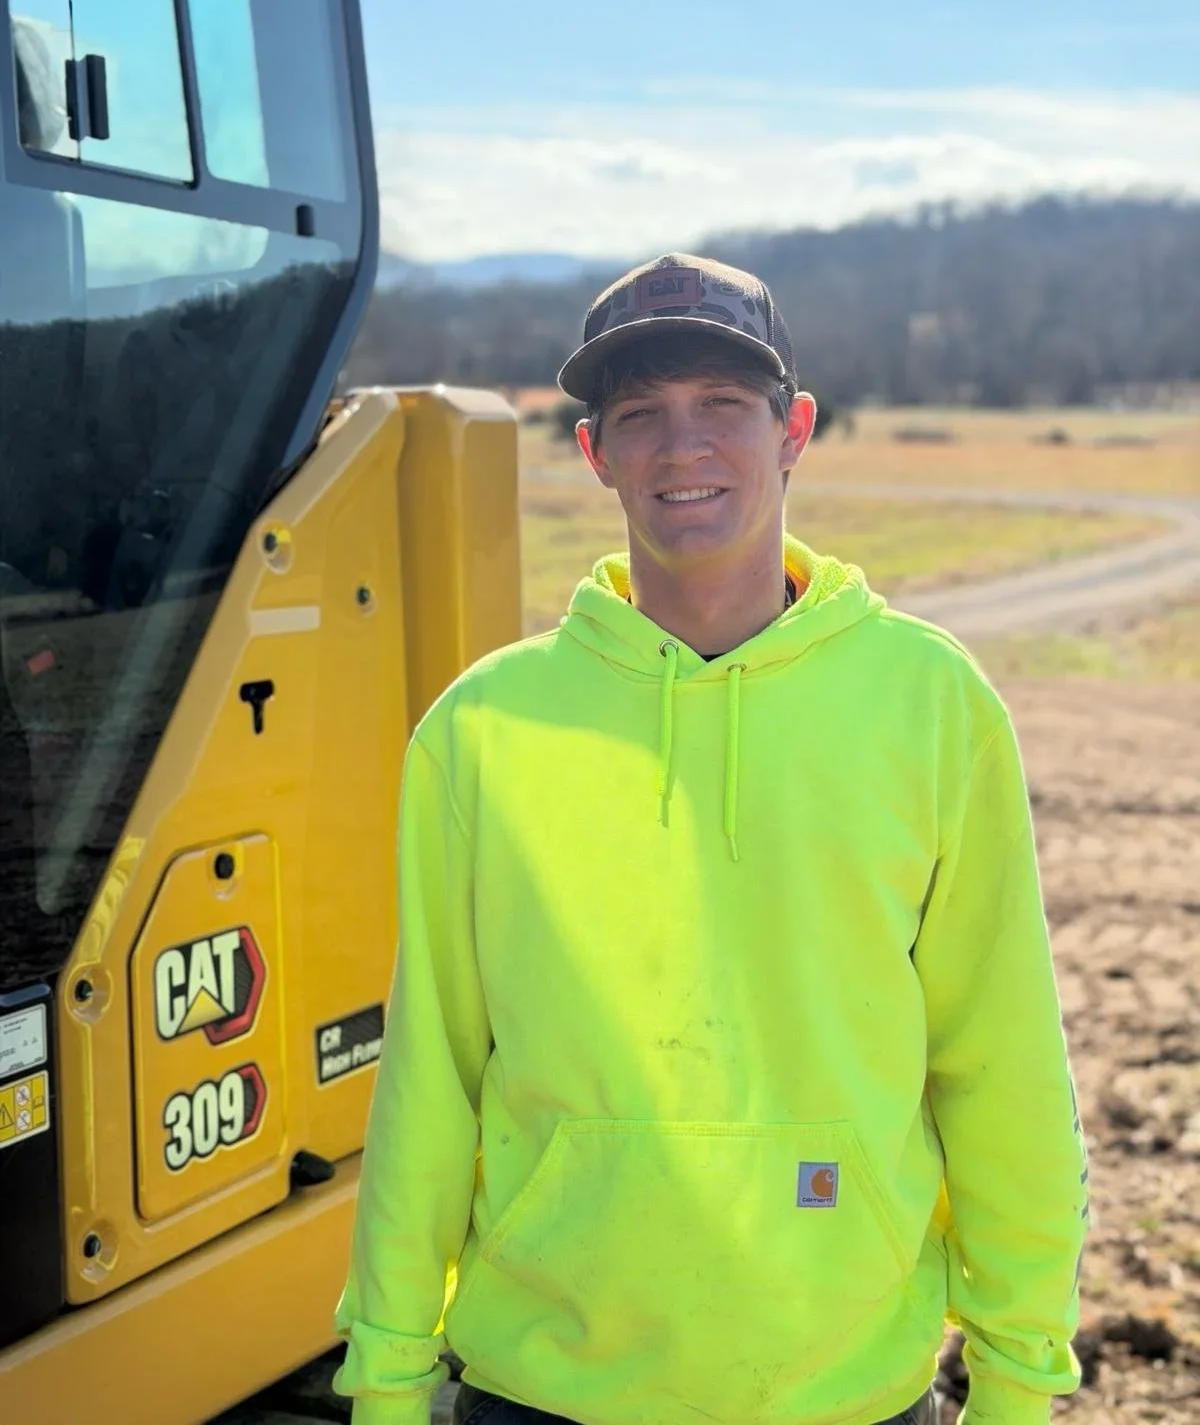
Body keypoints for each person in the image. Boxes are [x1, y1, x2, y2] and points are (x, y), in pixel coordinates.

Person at [335, 252, 1089, 1425]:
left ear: (794, 430)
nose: (682, 448)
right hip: (545, 1389)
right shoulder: (484, 730)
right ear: (594, 453)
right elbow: (431, 1076)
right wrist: (385, 1377)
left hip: (845, 1389)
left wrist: (1020, 1373)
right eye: (640, 415)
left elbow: (1002, 1066)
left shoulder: (931, 704)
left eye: (722, 408)